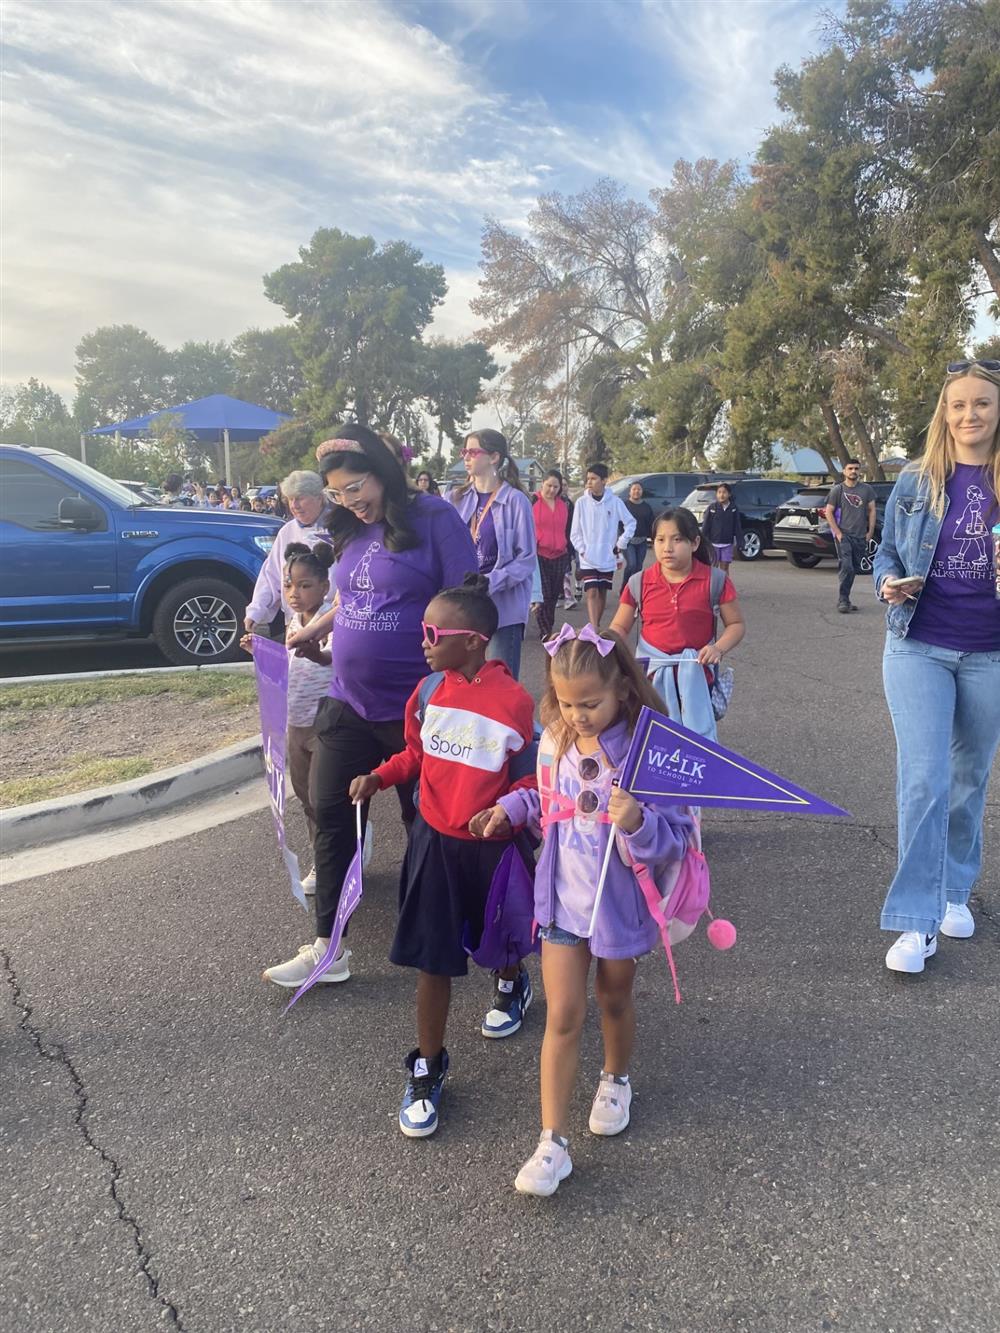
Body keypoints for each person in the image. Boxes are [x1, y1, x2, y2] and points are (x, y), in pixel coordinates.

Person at [473, 627, 693, 1197]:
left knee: (614, 996)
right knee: (562, 1014)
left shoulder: (650, 751)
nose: (578, 715)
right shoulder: (556, 740)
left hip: (619, 904)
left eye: (590, 703)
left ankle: (616, 1077)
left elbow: (676, 838)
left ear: (621, 687)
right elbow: (546, 801)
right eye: (567, 703)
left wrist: (638, 821)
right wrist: (509, 808)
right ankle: (551, 1142)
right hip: (562, 902)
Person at [263, 425, 477, 989]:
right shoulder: (348, 530)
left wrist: (462, 684)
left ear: (383, 471)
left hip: (417, 709)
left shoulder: (433, 518)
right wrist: (318, 635)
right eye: (335, 493)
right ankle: (327, 946)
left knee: (426, 825)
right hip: (348, 703)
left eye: (355, 486)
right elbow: (357, 599)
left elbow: (466, 603)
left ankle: (443, 930)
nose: (348, 501)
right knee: (331, 816)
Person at [349, 575, 537, 1137]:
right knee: (434, 957)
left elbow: (530, 784)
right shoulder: (430, 691)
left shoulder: (516, 703)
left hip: (492, 850)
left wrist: (506, 810)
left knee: (497, 938)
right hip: (433, 842)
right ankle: (428, 1066)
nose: (424, 641)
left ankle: (512, 981)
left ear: (475, 640)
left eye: (434, 632)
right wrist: (379, 777)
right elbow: (416, 754)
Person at [874, 359, 1000, 975]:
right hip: (917, 644)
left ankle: (954, 889)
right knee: (924, 778)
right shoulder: (916, 480)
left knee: (969, 776)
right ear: (943, 414)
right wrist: (888, 583)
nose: (969, 415)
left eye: (981, 403)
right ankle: (916, 923)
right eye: (958, 405)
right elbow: (887, 552)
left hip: (991, 653)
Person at [242, 542, 334, 895]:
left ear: (324, 587)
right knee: (306, 798)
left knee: (322, 796)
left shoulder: (333, 617)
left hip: (326, 721)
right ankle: (321, 856)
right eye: (288, 586)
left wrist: (318, 654)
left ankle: (333, 863)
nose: (294, 593)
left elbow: (336, 658)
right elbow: (288, 664)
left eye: (304, 585)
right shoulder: (295, 620)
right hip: (295, 722)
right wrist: (260, 652)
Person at [609, 507, 745, 740]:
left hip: (698, 675)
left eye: (677, 539)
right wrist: (601, 643)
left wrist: (717, 648)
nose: (667, 547)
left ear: (694, 543)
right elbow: (619, 628)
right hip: (650, 678)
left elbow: (736, 624)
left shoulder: (715, 580)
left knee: (694, 741)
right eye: (660, 540)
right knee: (654, 739)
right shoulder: (639, 582)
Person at [447, 429, 536, 680]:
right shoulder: (456, 498)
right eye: (464, 451)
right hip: (465, 606)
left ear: (494, 457)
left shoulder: (517, 501)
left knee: (500, 683)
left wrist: (490, 582)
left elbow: (526, 559)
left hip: (503, 610)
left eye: (473, 451)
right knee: (464, 681)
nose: (466, 457)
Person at [244, 472, 332, 639]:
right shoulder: (287, 531)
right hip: (295, 621)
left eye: (300, 498)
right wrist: (256, 611)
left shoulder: (339, 528)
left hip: (332, 620)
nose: (295, 505)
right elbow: (272, 577)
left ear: (319, 498)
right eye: (290, 500)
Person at [570, 462, 635, 629]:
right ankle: (594, 629)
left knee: (602, 592)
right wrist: (582, 550)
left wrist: (621, 543)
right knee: (591, 592)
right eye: (588, 479)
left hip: (607, 557)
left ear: (604, 480)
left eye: (593, 478)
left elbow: (630, 523)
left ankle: (596, 624)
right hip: (588, 557)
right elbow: (575, 532)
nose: (589, 482)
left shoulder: (615, 502)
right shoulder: (581, 503)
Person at [825, 460, 877, 613]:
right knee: (846, 566)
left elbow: (872, 510)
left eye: (856, 468)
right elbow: (828, 512)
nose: (853, 471)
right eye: (850, 468)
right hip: (844, 535)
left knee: (853, 568)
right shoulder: (838, 490)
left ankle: (846, 598)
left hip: (860, 535)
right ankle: (843, 600)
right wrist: (838, 533)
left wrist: (870, 532)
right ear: (844, 471)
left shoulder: (867, 490)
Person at [532, 469, 573, 638]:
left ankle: (549, 627)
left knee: (554, 595)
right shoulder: (532, 501)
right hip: (539, 554)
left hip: (560, 554)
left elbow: (569, 529)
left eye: (556, 487)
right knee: (544, 594)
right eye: (549, 485)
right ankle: (545, 631)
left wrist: (571, 552)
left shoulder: (565, 504)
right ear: (543, 483)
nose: (552, 490)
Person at [700, 482, 743, 574]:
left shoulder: (733, 508)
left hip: (727, 544)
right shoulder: (712, 508)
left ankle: (725, 587)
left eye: (724, 492)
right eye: (719, 492)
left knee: (724, 569)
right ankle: (712, 587)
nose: (721, 495)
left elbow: (737, 526)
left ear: (729, 494)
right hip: (713, 544)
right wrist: (701, 541)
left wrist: (741, 542)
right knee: (713, 568)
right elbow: (706, 526)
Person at [620, 481, 654, 588]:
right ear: (629, 492)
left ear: (642, 491)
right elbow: (619, 523)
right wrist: (620, 538)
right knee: (632, 565)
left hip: (642, 541)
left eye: (639, 489)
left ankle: (633, 589)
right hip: (628, 541)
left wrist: (654, 539)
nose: (636, 491)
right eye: (634, 489)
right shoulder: (624, 505)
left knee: (638, 567)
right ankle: (624, 588)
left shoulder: (646, 507)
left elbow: (651, 524)